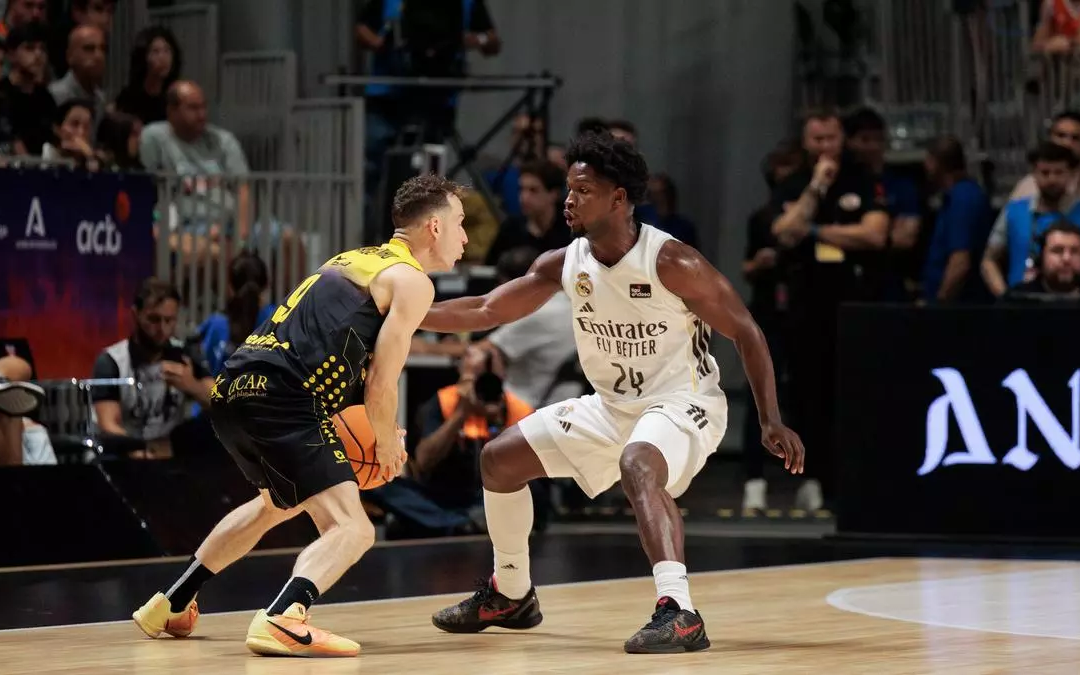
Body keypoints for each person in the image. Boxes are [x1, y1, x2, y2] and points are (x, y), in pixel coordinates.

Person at [420, 132, 804, 654]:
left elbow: (747, 332)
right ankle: (510, 594)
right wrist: (404, 310)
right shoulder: (564, 262)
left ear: (618, 199)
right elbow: (487, 308)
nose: (569, 200)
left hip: (683, 402)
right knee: (499, 460)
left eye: (582, 191)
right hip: (611, 407)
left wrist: (769, 418)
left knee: (638, 463)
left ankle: (680, 610)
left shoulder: (671, 261)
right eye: (568, 189)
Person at [130, 174, 470, 658]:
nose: (465, 237)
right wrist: (387, 444)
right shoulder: (413, 282)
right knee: (353, 528)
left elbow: (334, 356)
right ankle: (283, 617)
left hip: (233, 390)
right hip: (286, 399)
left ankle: (171, 603)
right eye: (460, 223)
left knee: (276, 504)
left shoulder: (350, 261)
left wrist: (370, 425)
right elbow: (380, 381)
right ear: (435, 227)